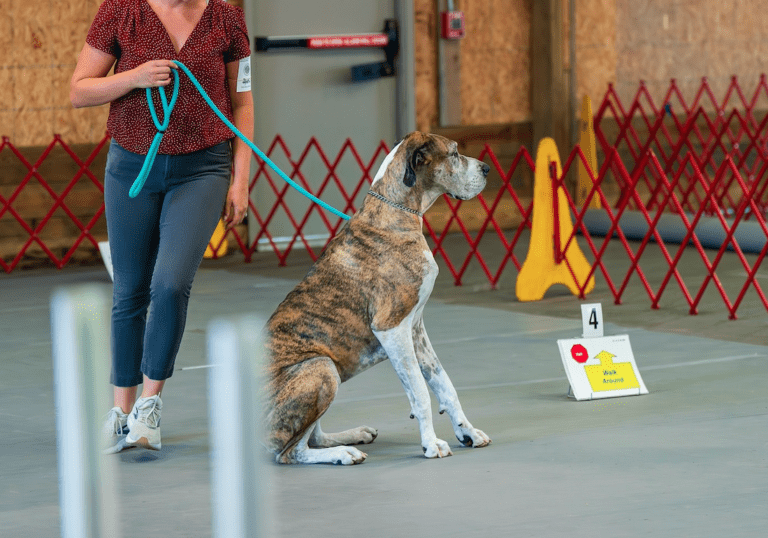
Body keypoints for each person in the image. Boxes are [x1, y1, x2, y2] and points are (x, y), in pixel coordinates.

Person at [70, 0, 253, 453]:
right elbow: (79, 91)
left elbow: (242, 102)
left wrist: (240, 179)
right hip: (131, 167)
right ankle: (120, 411)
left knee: (170, 284)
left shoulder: (226, 19)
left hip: (203, 170)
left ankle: (149, 406)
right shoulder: (120, 11)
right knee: (129, 289)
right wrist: (134, 77)